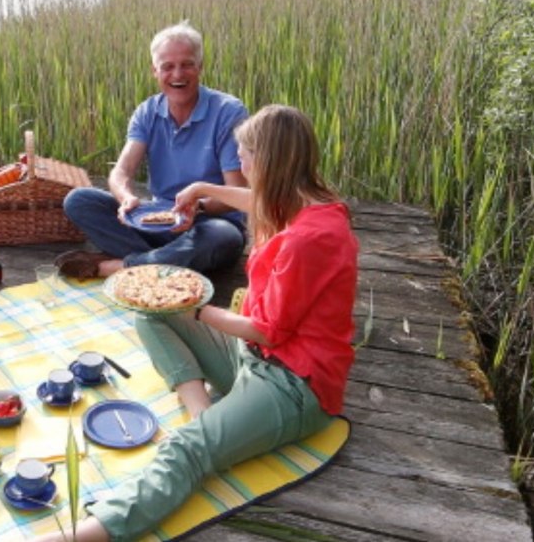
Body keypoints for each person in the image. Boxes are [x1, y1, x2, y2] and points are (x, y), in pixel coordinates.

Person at [33, 105, 359, 542]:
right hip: (253, 358)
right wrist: (203, 189)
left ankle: (89, 532)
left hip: (294, 384)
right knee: (153, 311)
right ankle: (202, 411)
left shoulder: (308, 239)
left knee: (186, 450)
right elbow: (260, 203)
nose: (240, 166)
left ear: (268, 162)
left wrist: (199, 309)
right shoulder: (306, 206)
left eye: (244, 156)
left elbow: (267, 330)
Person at [56, 20, 249, 280]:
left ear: (200, 67)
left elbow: (235, 194)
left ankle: (121, 266)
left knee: (222, 237)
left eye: (187, 64)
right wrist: (126, 198)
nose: (178, 75)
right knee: (79, 200)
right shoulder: (147, 111)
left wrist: (198, 207)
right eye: (168, 67)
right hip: (156, 221)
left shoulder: (228, 112)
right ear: (154, 71)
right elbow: (121, 171)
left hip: (206, 222)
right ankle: (167, 261)